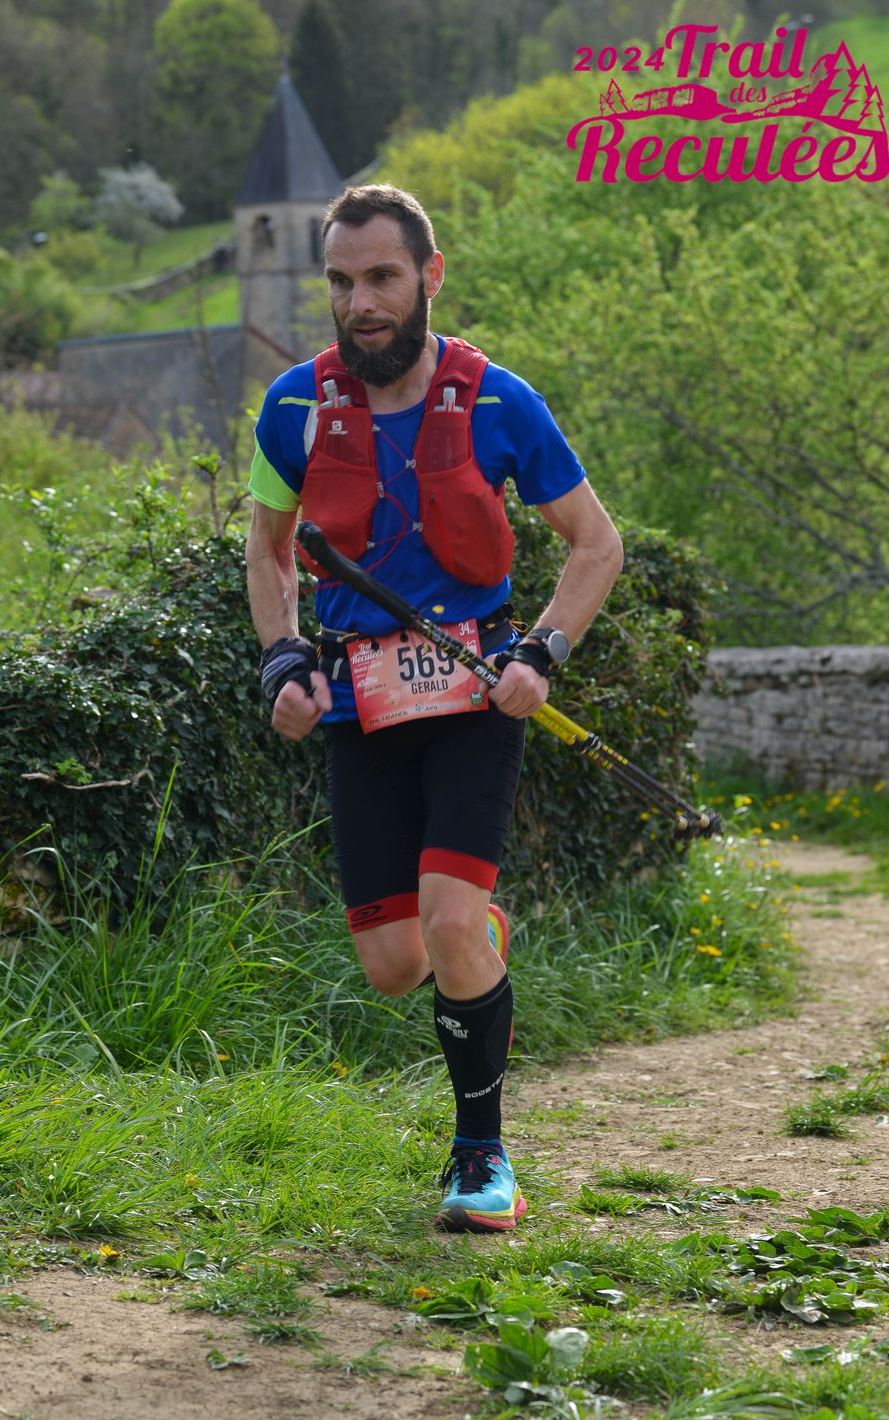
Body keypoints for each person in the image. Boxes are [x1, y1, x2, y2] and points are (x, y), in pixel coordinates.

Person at [245, 184, 623, 1232]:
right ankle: (472, 939)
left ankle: (480, 1157)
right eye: (340, 281)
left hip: (475, 701)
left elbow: (597, 546)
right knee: (395, 965)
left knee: (449, 922)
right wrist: (282, 662)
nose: (359, 302)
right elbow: (268, 554)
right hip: (359, 711)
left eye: (381, 278)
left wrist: (542, 651)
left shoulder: (501, 402)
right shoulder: (292, 407)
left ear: (430, 276)